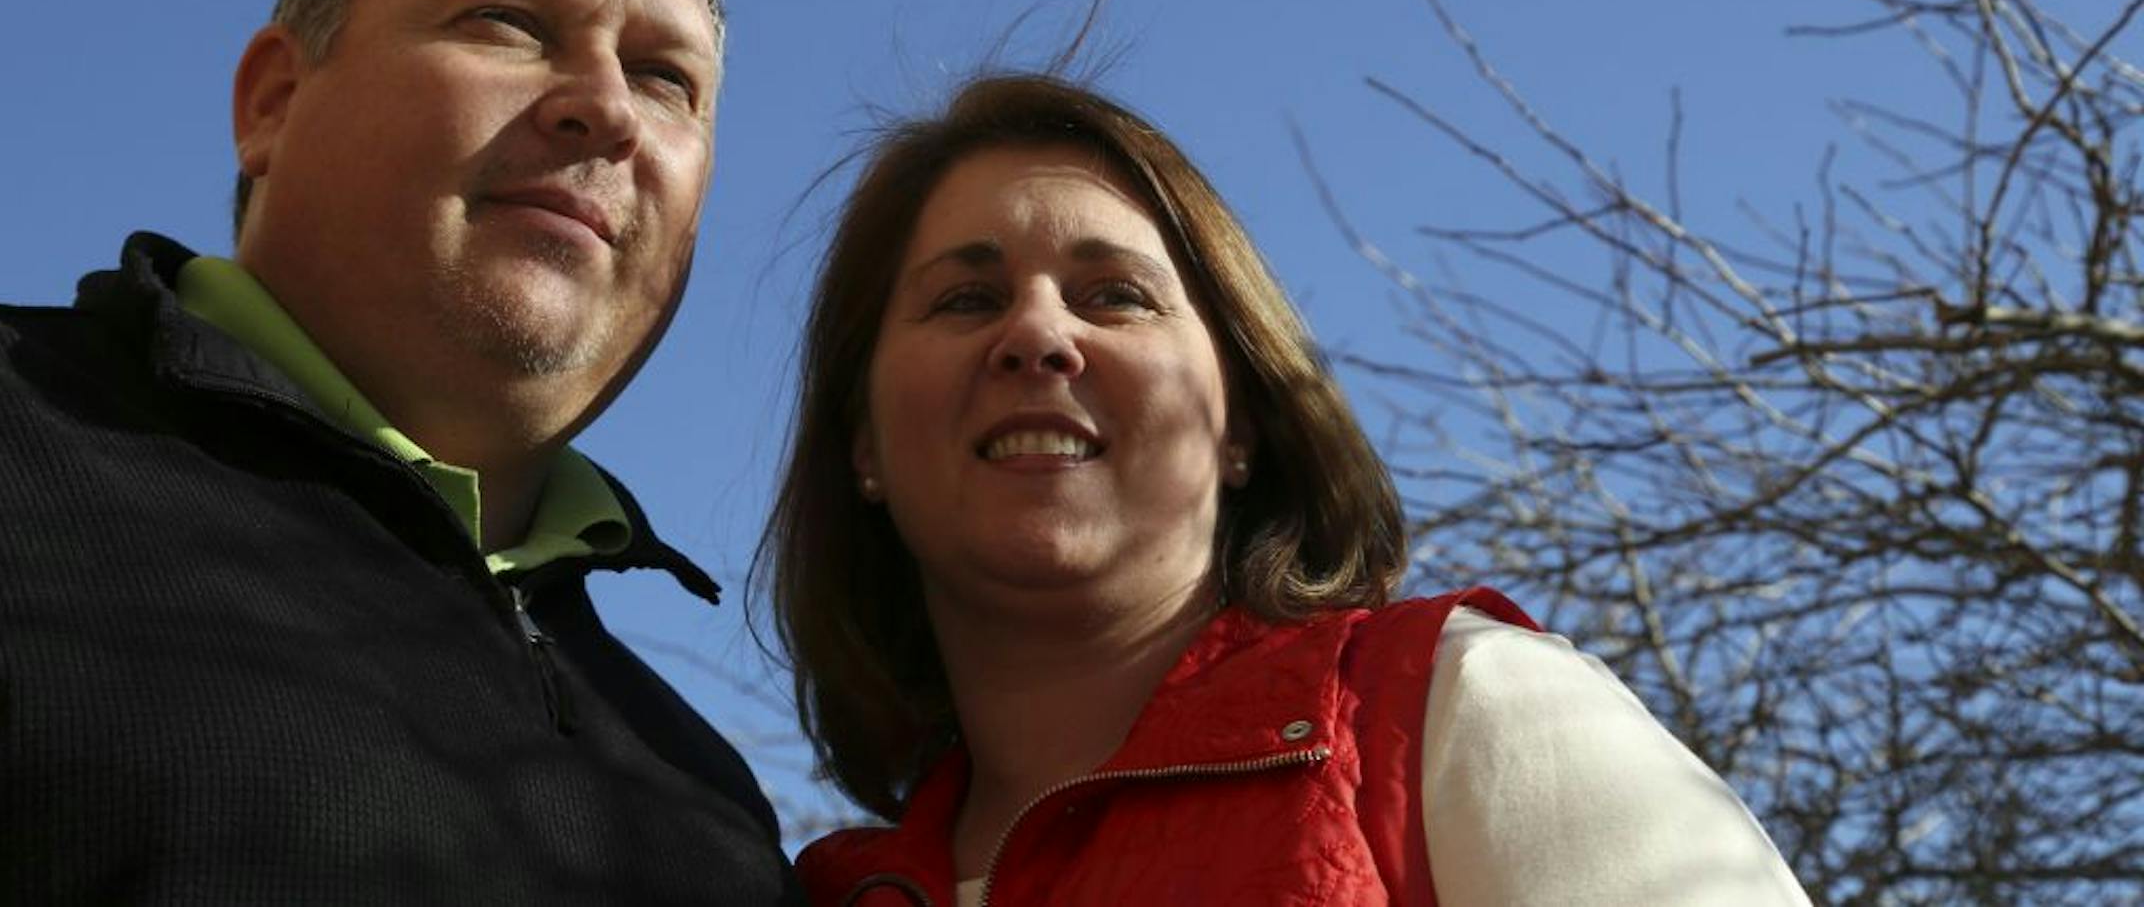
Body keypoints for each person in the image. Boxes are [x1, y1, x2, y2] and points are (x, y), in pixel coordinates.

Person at [0, 0, 800, 904]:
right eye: (509, 22)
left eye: (667, 78)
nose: (605, 106)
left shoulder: (715, 804)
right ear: (273, 99)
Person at [767, 73, 1809, 905]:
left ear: (1244, 425)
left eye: (1115, 295)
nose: (1038, 334)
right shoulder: (811, 890)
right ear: (862, 441)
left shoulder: (1459, 707)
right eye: (965, 297)